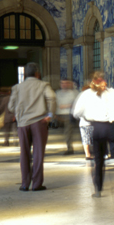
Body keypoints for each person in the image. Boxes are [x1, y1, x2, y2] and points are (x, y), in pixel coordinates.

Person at [9, 62, 56, 191]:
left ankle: (24, 184)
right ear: (37, 73)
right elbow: (51, 98)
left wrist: (19, 114)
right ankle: (37, 184)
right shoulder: (43, 85)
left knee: (24, 153)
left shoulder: (17, 88)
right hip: (39, 122)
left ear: (25, 74)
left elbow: (10, 106)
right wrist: (50, 114)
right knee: (38, 153)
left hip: (23, 123)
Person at [72, 71, 114, 197]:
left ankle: (98, 187)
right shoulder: (111, 93)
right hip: (108, 126)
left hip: (95, 126)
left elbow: (76, 112)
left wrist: (85, 117)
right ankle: (108, 158)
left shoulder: (86, 94)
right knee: (104, 155)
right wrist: (112, 117)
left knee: (97, 159)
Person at [56, 78, 78, 154]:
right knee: (63, 132)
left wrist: (65, 106)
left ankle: (70, 148)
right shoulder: (57, 93)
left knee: (68, 132)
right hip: (59, 115)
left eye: (66, 83)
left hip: (68, 114)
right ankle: (67, 145)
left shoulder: (72, 93)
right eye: (62, 83)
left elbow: (75, 104)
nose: (64, 85)